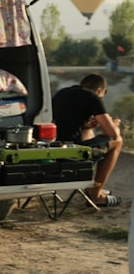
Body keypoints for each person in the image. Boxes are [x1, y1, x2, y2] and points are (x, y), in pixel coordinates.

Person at [52, 74, 122, 207]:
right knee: (118, 142)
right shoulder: (92, 96)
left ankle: (92, 187)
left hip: (55, 151)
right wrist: (115, 124)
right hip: (71, 155)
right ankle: (96, 195)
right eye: (102, 96)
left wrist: (86, 125)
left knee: (89, 131)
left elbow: (65, 125)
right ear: (99, 90)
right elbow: (112, 134)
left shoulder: (62, 93)